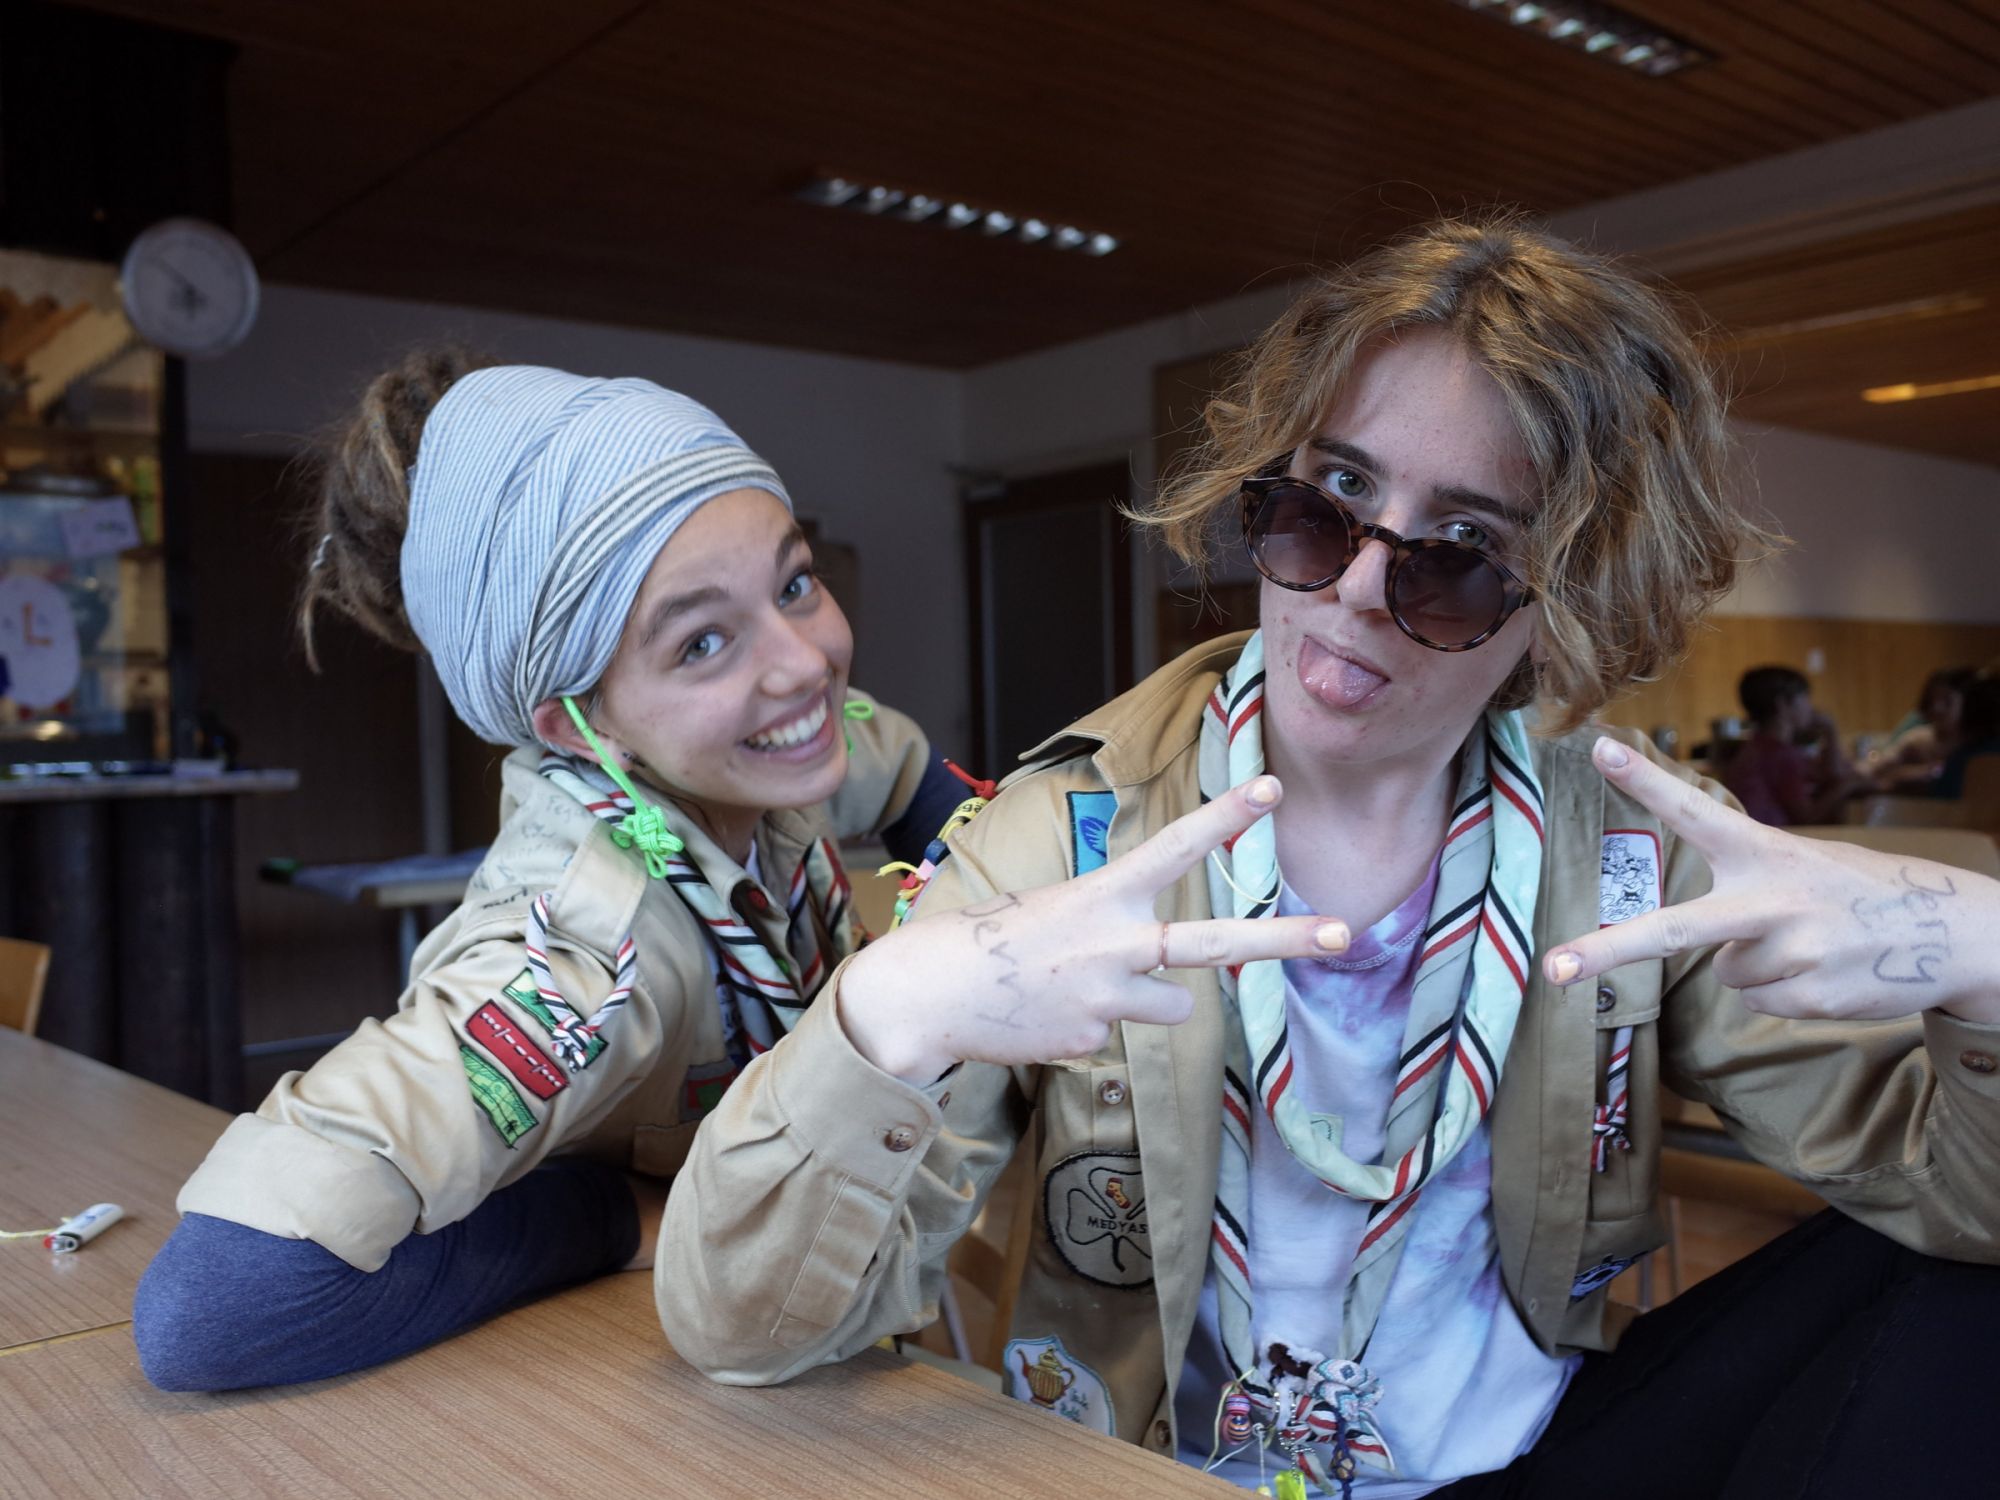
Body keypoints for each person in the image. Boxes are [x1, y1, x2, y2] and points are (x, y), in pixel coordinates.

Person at [655, 216, 2000, 1499]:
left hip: (1529, 1462)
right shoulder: (1064, 839)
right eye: (1332, 497)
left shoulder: (1636, 850)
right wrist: (892, 1008)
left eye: (1459, 553)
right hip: (1156, 1473)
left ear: (1562, 601)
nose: (1354, 587)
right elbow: (742, 1331)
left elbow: (1965, 1203)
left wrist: (1986, 955)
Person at [132, 352, 969, 1390]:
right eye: (702, 642)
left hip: (821, 1329)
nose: (805, 664)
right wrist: (604, 1214)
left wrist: (966, 903)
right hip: (648, 1385)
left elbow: (902, 765)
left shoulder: (775, 757)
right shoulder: (580, 957)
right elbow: (211, 1309)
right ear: (576, 728)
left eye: (794, 584)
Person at [1720, 664, 1872, 827]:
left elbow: (1830, 775)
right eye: (1805, 698)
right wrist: (1847, 786)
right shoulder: (1780, 755)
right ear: (1782, 704)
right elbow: (1806, 817)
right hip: (1769, 836)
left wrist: (1829, 731)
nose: (1810, 707)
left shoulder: (1756, 748)